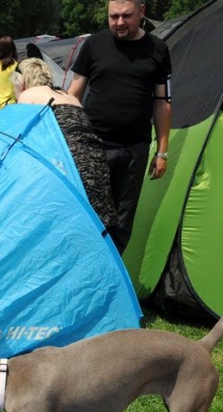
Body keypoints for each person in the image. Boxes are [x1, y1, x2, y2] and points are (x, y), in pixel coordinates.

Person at [68, 0, 172, 253]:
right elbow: (73, 95)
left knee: (122, 222)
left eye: (126, 16)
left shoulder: (158, 49)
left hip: (134, 151)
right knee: (87, 216)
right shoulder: (93, 44)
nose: (119, 22)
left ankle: (111, 282)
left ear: (141, 12)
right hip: (93, 147)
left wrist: (162, 151)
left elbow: (163, 103)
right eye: (113, 16)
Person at [15, 58, 116, 229]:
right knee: (92, 226)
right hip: (96, 163)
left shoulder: (27, 95)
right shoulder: (68, 96)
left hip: (69, 164)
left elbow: (21, 140)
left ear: (22, 81)